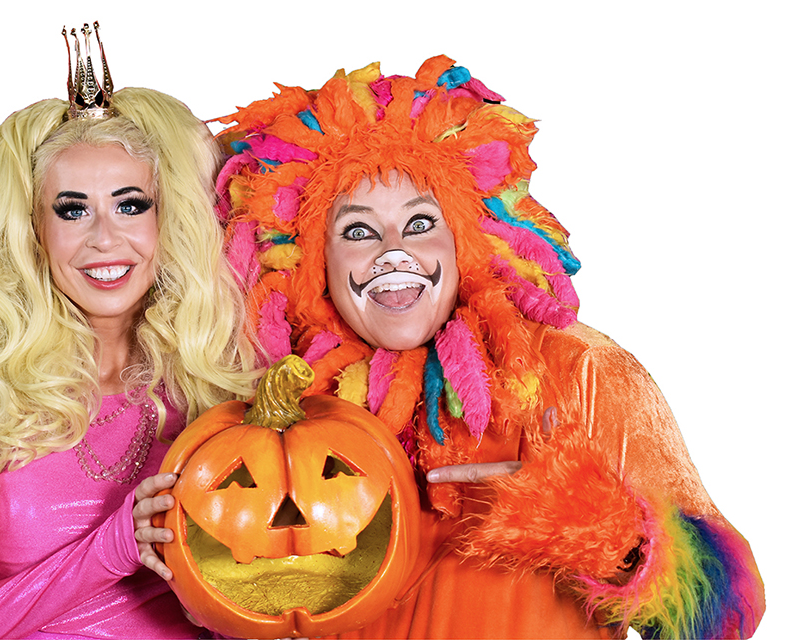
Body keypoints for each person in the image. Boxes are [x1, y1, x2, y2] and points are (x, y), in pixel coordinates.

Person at [213, 55, 765, 638]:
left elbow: (724, 620)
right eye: (357, 231)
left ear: (467, 240)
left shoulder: (578, 370)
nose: (393, 252)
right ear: (312, 260)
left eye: (420, 224)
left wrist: (602, 530)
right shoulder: (290, 408)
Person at [0, 24, 255, 638]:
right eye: (72, 210)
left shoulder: (216, 388)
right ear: (34, 232)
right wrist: (113, 547)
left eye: (130, 205)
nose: (104, 238)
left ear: (167, 219)